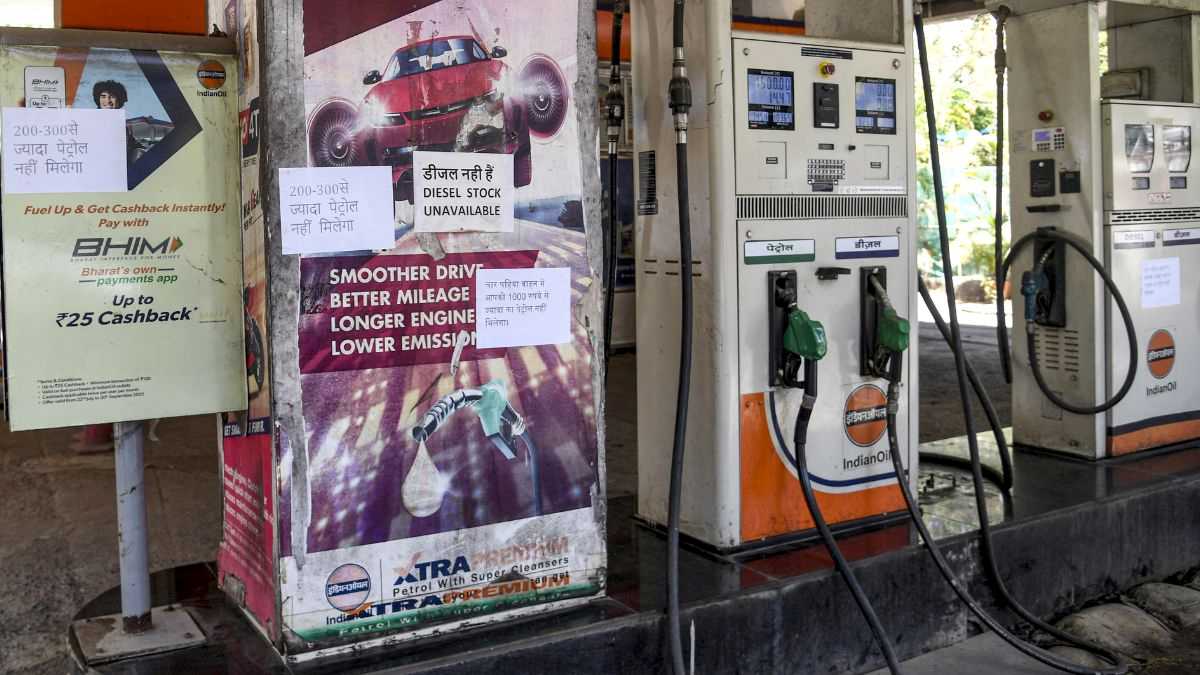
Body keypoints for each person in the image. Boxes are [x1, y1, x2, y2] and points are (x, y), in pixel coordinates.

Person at [92, 80, 143, 164]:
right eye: (103, 97)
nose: (107, 100)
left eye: (112, 96)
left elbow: (133, 145)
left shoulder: (123, 126)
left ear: (119, 100)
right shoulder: (89, 121)